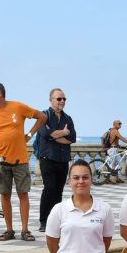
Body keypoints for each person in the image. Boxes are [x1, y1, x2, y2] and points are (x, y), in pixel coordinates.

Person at [0, 82, 47, 241]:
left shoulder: (18, 107)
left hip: (20, 160)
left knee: (23, 194)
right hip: (1, 161)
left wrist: (29, 135)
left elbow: (42, 116)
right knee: (5, 195)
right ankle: (9, 230)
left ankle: (25, 230)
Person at [36, 88, 76, 233]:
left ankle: (55, 220)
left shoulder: (68, 118)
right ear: (51, 100)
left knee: (58, 191)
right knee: (49, 188)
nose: (62, 101)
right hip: (47, 157)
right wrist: (63, 132)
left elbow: (72, 138)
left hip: (63, 158)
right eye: (59, 99)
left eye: (64, 99)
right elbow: (45, 134)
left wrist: (54, 136)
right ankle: (44, 221)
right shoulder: (43, 116)